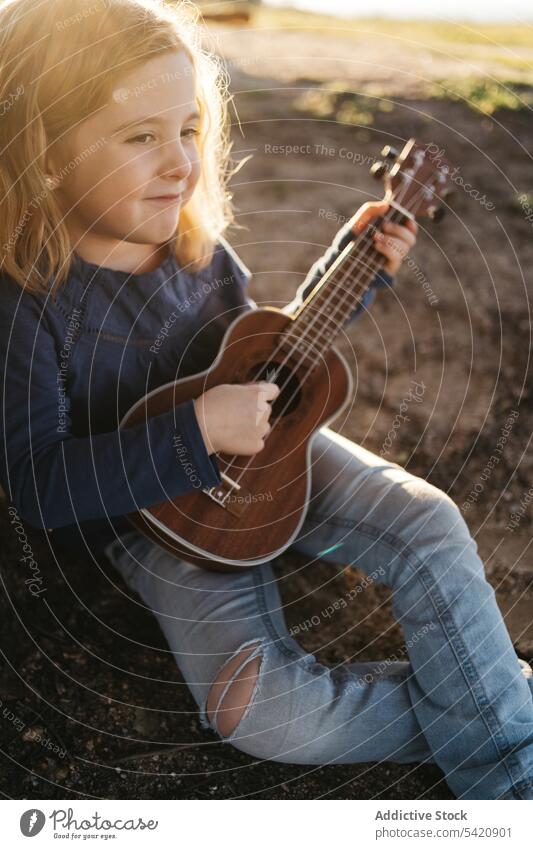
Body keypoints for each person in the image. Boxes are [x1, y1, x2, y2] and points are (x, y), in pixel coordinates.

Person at [0, 0, 532, 801]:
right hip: (153, 527)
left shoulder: (195, 247)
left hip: (266, 459)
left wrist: (353, 274)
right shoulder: (25, 303)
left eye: (187, 128)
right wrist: (193, 430)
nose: (179, 164)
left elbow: (261, 352)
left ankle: (509, 779)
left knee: (426, 518)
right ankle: (496, 692)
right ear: (43, 152)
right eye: (140, 137)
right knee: (260, 712)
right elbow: (37, 485)